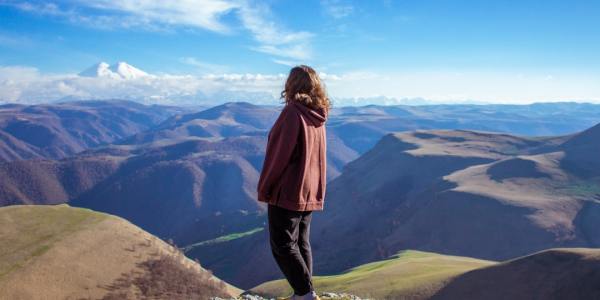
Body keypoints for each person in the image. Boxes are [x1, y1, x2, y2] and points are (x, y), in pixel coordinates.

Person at [257, 65, 330, 300]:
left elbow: (279, 155)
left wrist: (265, 187)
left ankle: (305, 293)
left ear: (291, 85)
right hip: (309, 190)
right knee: (301, 242)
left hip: (288, 190)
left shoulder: (293, 113)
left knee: (283, 244)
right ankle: (305, 292)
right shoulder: (318, 115)